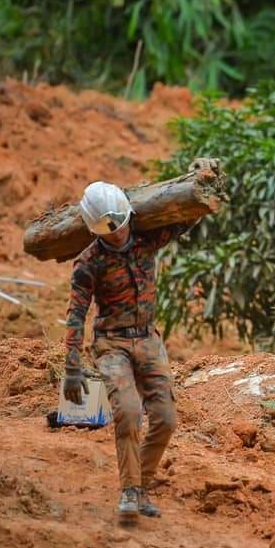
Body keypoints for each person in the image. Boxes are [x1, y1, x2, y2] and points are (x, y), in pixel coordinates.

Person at [62, 181, 197, 525]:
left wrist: (205, 182)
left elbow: (189, 213)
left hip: (148, 340)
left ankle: (143, 485)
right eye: (108, 230)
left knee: (166, 419)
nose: (118, 233)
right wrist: (72, 367)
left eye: (121, 224)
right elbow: (76, 315)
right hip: (111, 345)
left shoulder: (148, 237)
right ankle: (129, 490)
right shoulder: (88, 262)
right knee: (128, 410)